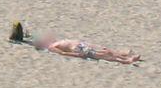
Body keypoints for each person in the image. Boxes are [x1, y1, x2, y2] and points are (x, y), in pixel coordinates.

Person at [9, 24, 139, 65]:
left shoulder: (52, 41)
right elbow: (63, 53)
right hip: (78, 48)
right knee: (102, 54)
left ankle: (123, 55)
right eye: (43, 41)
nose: (45, 39)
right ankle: (126, 60)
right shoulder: (51, 46)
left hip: (82, 44)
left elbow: (48, 36)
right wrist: (76, 55)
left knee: (105, 50)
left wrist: (30, 35)